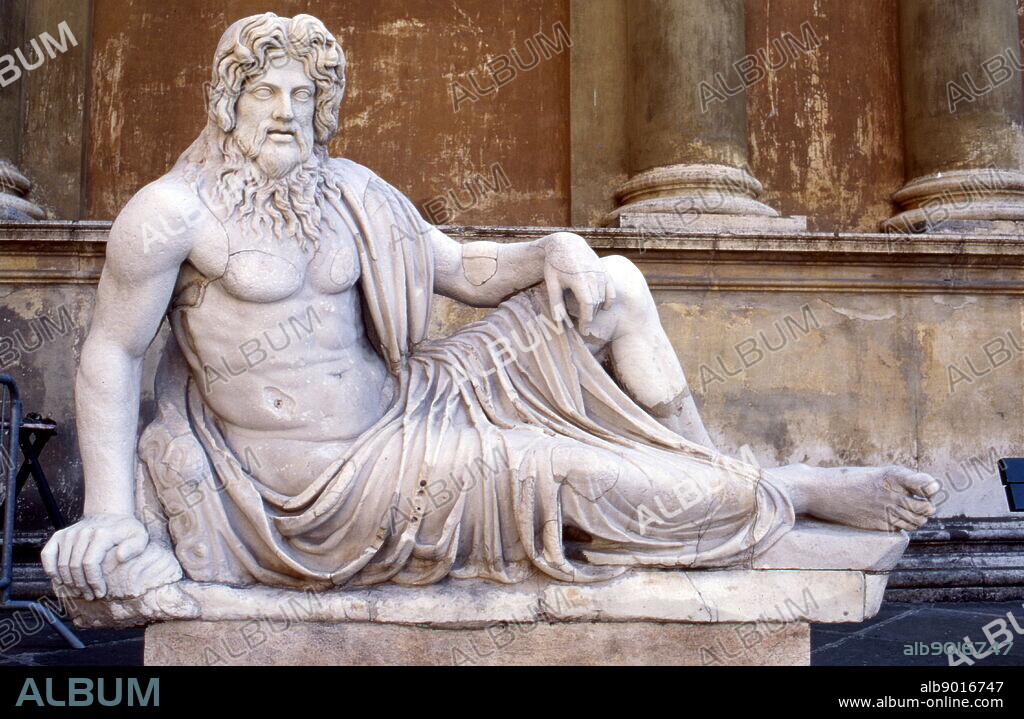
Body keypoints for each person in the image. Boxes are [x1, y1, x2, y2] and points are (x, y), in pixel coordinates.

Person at [43, 13, 937, 600]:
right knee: (565, 470)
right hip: (325, 482)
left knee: (617, 283)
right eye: (265, 93)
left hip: (413, 404)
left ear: (323, 109)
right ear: (227, 102)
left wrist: (553, 249)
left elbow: (465, 270)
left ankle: (717, 488)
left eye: (304, 96)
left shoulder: (346, 191)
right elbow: (111, 354)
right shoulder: (173, 214)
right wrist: (110, 513)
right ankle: (781, 494)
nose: (286, 112)